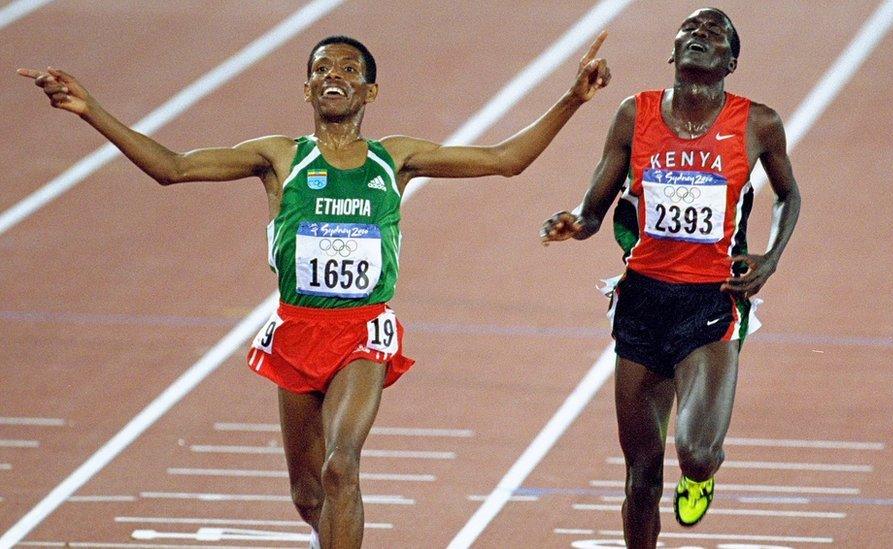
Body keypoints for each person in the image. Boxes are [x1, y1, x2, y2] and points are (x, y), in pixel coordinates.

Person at [19, 32, 610, 548]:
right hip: (296, 329)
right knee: (307, 495)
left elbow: (506, 159)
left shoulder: (393, 159)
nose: (335, 76)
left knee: (340, 466)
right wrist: (88, 108)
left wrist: (572, 100)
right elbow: (172, 167)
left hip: (363, 331)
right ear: (307, 89)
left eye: (349, 70)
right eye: (322, 69)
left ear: (369, 93)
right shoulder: (280, 158)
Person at [541, 8, 801, 547]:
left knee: (698, 452)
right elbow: (595, 210)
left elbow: (789, 195)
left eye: (715, 34)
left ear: (730, 61)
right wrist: (575, 222)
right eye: (691, 29)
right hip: (641, 300)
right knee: (639, 477)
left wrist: (771, 258)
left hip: (712, 301)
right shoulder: (633, 115)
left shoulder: (758, 123)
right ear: (673, 51)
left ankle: (701, 478)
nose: (700, 36)